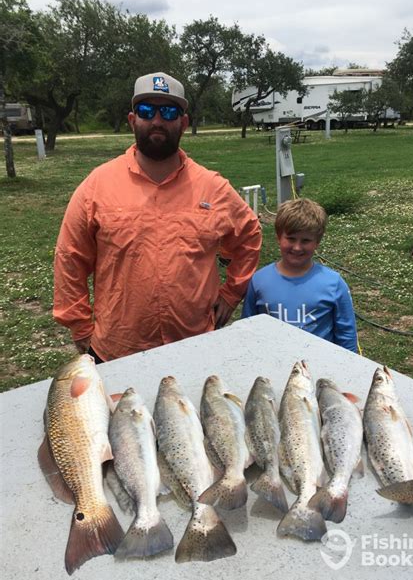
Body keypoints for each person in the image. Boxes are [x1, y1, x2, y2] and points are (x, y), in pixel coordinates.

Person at [53, 71, 262, 362]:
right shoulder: (97, 185)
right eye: (147, 111)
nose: (157, 121)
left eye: (169, 111)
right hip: (117, 350)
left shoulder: (213, 188)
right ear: (132, 120)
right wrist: (78, 325)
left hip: (195, 345)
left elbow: (249, 235)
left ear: (184, 122)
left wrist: (231, 293)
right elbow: (69, 257)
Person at [241, 198, 358, 352]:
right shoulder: (259, 280)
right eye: (291, 239)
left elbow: (346, 334)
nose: (297, 247)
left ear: (317, 242)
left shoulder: (334, 283)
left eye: (306, 241)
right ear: (278, 237)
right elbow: (248, 330)